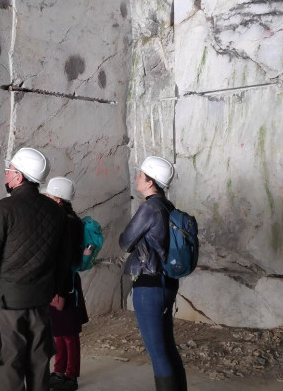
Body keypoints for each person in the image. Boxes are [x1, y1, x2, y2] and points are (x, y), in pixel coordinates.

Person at [0, 147, 68, 391]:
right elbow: (63, 258)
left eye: (9, 170)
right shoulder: (55, 211)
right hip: (40, 305)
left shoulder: (4, 209)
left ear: (19, 176)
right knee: (39, 370)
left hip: (7, 306)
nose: (6, 174)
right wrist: (56, 290)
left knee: (9, 371)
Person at [119, 156, 187, 391]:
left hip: (149, 285)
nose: (137, 177)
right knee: (167, 348)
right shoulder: (168, 207)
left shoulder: (149, 208)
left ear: (150, 182)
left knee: (158, 353)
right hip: (167, 283)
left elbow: (125, 242)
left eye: (140, 174)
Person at [44, 177, 89, 391]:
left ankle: (71, 376)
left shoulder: (68, 222)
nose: (46, 199)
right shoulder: (64, 219)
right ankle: (59, 371)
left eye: (49, 196)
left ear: (58, 199)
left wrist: (60, 291)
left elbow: (65, 259)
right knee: (58, 331)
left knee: (69, 334)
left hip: (65, 284)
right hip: (59, 282)